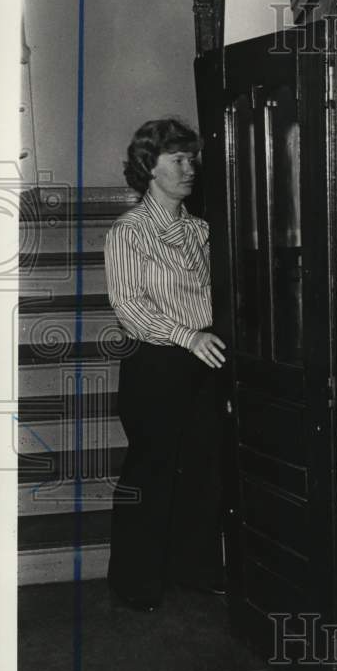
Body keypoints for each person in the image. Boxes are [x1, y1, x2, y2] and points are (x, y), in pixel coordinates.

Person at [104, 117, 227, 611]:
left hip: (204, 361)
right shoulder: (128, 232)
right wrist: (186, 335)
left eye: (191, 158)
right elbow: (131, 307)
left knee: (203, 469)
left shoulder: (201, 230)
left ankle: (191, 568)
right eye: (177, 159)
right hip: (155, 364)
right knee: (151, 471)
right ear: (148, 168)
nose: (189, 167)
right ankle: (134, 582)